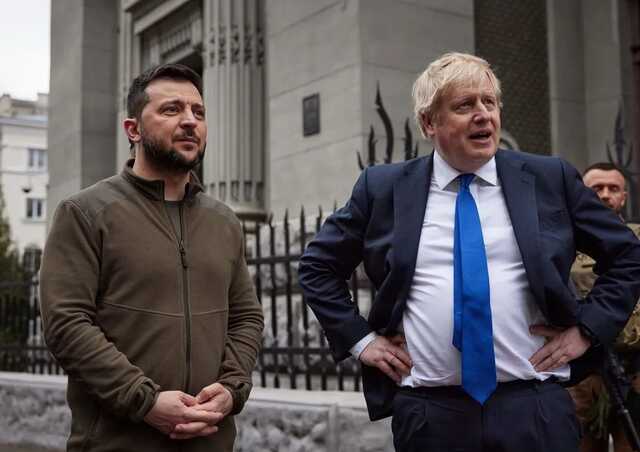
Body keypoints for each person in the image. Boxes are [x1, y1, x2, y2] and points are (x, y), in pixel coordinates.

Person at [298, 52, 640, 452]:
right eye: (464, 105)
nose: (483, 115)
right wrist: (361, 340)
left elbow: (628, 256)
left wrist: (587, 329)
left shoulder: (549, 178)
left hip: (534, 410)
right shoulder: (383, 188)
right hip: (430, 416)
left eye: (489, 102)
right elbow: (317, 267)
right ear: (429, 122)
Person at [39, 64, 264, 452]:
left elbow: (246, 317)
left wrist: (231, 388)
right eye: (172, 109)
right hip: (116, 442)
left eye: (198, 111)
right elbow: (66, 322)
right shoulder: (86, 213)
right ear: (133, 129)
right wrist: (145, 401)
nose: (190, 121)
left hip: (211, 442)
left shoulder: (224, 221)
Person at [570, 162, 640, 452]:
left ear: (624, 196)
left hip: (634, 367)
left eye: (613, 188)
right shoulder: (564, 241)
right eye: (597, 188)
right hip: (584, 370)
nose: (605, 195)